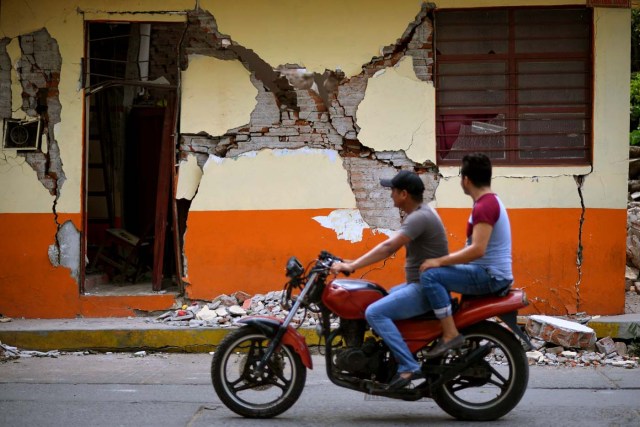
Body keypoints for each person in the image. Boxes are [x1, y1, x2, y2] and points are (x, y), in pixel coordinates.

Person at [330, 170, 448, 390]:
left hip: (424, 289)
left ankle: (409, 366)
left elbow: (387, 247)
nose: (390, 194)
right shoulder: (422, 213)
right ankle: (389, 359)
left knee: (374, 312)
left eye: (393, 190)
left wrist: (352, 265)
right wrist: (350, 261)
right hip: (423, 285)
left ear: (403, 194)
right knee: (382, 295)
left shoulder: (419, 217)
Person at [419, 153, 513, 358]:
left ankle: (450, 334)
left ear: (467, 180)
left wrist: (438, 261)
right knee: (438, 272)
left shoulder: (484, 206)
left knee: (430, 275)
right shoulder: (489, 202)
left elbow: (477, 250)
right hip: (489, 272)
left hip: (489, 275)